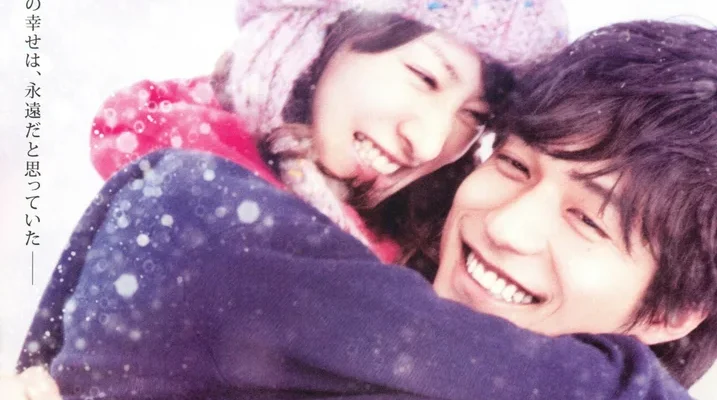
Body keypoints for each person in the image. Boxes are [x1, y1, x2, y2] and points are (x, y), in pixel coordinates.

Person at [13, 20, 717, 399]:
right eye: (512, 164)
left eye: (588, 220)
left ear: (671, 314)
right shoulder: (212, 217)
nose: (506, 225)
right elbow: (185, 231)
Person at [89, 0, 568, 263]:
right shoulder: (193, 204)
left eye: (473, 117)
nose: (427, 144)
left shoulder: (425, 242)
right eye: (424, 77)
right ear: (322, 36)